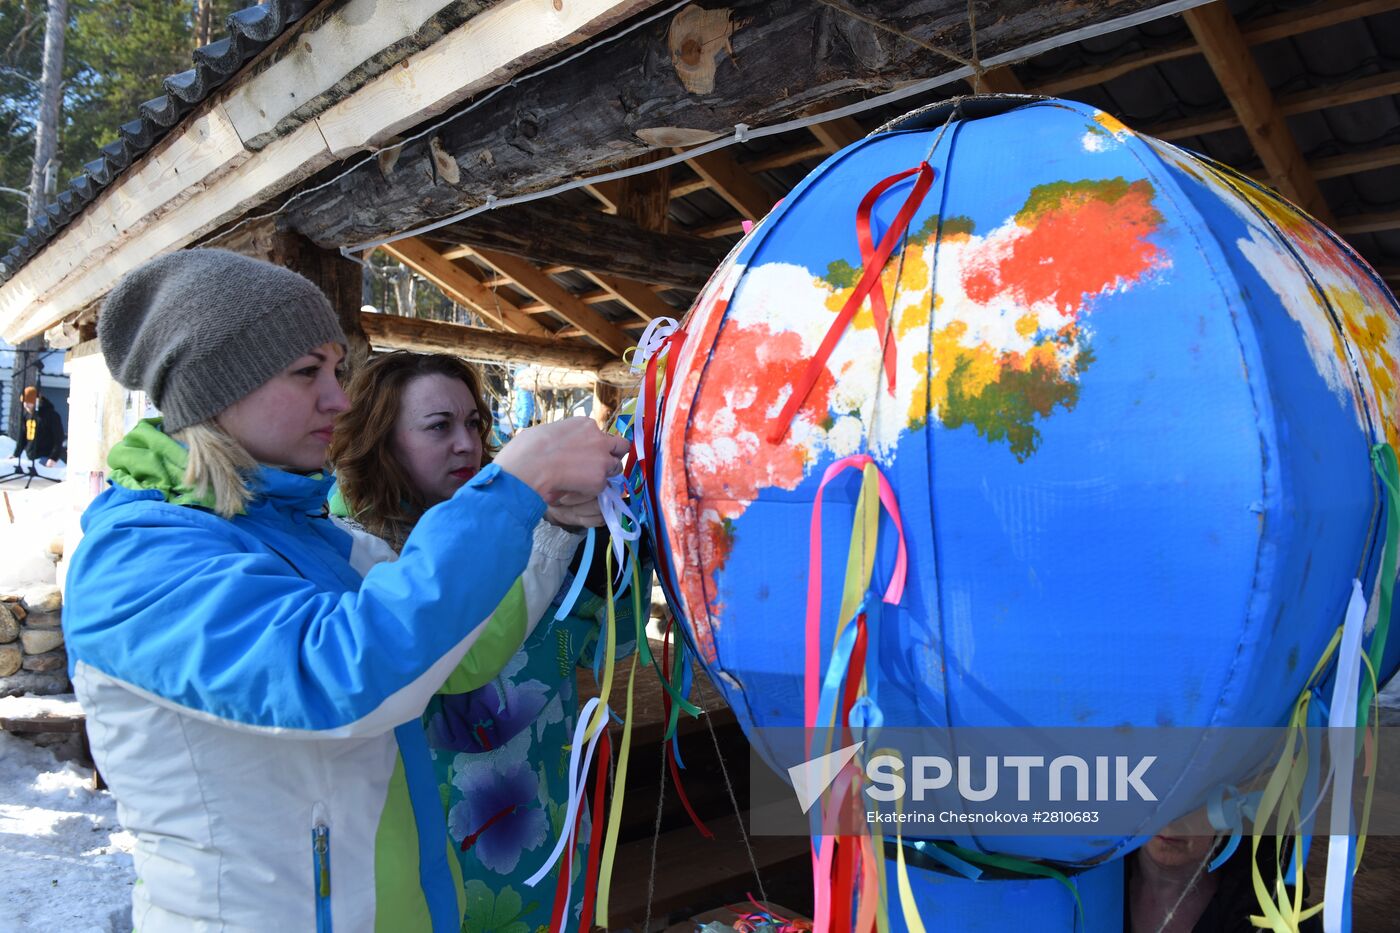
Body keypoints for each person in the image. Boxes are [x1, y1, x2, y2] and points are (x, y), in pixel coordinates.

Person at [63, 249, 629, 932]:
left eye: (336, 371)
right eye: (308, 372)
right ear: (217, 388)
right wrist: (508, 488)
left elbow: (460, 654)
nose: (337, 398)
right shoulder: (137, 556)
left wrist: (547, 525)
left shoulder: (312, 534)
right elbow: (340, 675)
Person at [330, 351, 644, 931]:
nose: (466, 444)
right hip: (441, 838)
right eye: (439, 426)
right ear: (381, 439)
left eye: (474, 423)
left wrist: (620, 548)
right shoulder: (354, 553)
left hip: (546, 812)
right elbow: (464, 681)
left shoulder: (522, 521)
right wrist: (553, 534)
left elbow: (606, 646)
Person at [12, 384, 63, 467]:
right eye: (24, 402)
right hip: (31, 457)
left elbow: (58, 438)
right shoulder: (26, 416)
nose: (26, 405)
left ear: (37, 401)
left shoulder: (51, 415)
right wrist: (16, 454)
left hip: (46, 457)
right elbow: (22, 437)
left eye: (29, 402)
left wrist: (53, 458)